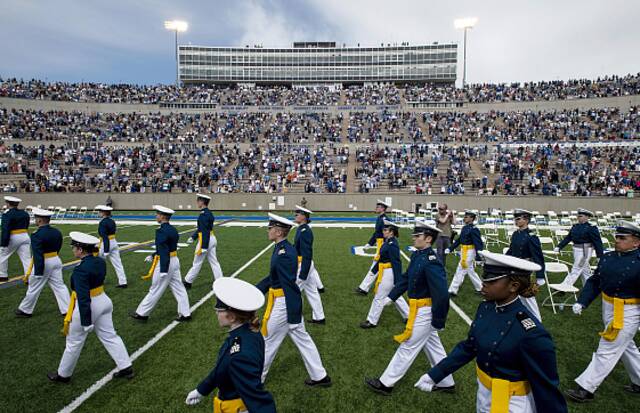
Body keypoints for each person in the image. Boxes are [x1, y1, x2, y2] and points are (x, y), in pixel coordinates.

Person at [414, 251, 568, 413]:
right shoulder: (486, 308)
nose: (483, 284)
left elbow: (546, 388)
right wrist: (435, 375)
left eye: (491, 281)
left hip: (512, 403)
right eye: (484, 278)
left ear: (513, 286)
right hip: (484, 393)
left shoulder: (531, 332)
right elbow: (469, 347)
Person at [365, 221, 455, 395]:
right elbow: (406, 278)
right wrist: (391, 297)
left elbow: (442, 294)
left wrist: (439, 320)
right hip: (418, 309)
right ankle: (446, 382)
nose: (414, 238)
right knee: (434, 348)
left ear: (428, 239)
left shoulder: (431, 261)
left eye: (418, 236)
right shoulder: (418, 255)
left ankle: (386, 383)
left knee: (408, 346)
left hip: (425, 311)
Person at [565, 220, 640, 402]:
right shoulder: (608, 257)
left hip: (628, 310)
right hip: (608, 306)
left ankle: (585, 388)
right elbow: (595, 281)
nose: (617, 241)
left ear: (636, 242)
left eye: (623, 238)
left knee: (607, 347)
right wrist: (582, 301)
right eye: (616, 237)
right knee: (626, 346)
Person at [256, 213, 331, 386]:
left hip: (284, 305)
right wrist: (258, 289)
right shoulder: (282, 248)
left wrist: (294, 313)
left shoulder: (283, 253)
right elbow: (274, 277)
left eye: (270, 228)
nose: (268, 231)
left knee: (267, 341)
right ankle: (320, 376)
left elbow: (289, 286)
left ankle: (254, 381)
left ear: (279, 232)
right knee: (303, 340)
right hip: (285, 303)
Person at [48, 232, 133, 383]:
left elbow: (83, 297)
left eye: (74, 247)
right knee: (110, 336)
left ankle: (63, 374)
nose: (73, 250)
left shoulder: (81, 269)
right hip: (103, 300)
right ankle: (126, 366)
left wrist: (86, 321)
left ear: (81, 250)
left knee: (74, 341)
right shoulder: (99, 261)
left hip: (90, 305)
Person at [185, 277, 276, 412]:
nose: (216, 312)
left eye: (219, 310)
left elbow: (258, 399)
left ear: (232, 317)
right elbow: (223, 367)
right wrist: (202, 389)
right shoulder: (247, 333)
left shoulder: (240, 354)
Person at [130, 205, 191, 322]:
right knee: (179, 288)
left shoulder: (161, 231)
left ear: (162, 216)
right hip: (174, 260)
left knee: (155, 289)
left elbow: (164, 251)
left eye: (157, 214)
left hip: (166, 263)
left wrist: (163, 270)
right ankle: (185, 313)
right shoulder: (173, 230)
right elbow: (166, 248)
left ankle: (142, 313)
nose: (156, 216)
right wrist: (153, 255)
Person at [15, 207, 70, 318]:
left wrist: (39, 272)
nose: (35, 221)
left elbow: (38, 254)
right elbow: (58, 247)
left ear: (40, 220)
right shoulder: (56, 232)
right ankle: (67, 309)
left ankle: (26, 310)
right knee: (59, 286)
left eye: (36, 219)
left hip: (44, 262)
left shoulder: (37, 234)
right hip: (55, 259)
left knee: (34, 287)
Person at [360, 219, 409, 329]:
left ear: (391, 232)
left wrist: (398, 280)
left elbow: (396, 262)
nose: (383, 231)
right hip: (385, 271)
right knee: (395, 295)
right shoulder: (388, 241)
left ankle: (371, 321)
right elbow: (382, 259)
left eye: (386, 229)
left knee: (379, 297)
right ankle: (409, 315)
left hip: (389, 273)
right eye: (384, 229)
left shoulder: (392, 244)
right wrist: (374, 270)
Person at [506, 209, 545, 321]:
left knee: (527, 295)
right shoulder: (515, 233)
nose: (516, 221)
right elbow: (511, 250)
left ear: (526, 220)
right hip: (514, 266)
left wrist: (540, 275)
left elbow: (538, 257)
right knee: (514, 293)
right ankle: (519, 316)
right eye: (515, 219)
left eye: (518, 219)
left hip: (524, 267)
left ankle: (537, 320)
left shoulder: (531, 236)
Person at [554, 208, 604, 287]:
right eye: (578, 216)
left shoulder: (591, 228)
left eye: (580, 216)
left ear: (587, 217)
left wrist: (599, 256)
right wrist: (559, 247)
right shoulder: (575, 226)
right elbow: (568, 238)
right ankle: (590, 287)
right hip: (576, 250)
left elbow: (597, 242)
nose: (578, 217)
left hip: (585, 251)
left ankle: (564, 286)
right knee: (585, 271)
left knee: (577, 268)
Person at [293, 205, 326, 324]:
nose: (295, 215)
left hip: (304, 265)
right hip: (305, 264)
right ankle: (319, 317)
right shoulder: (301, 228)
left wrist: (303, 273)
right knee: (312, 292)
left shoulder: (305, 231)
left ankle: (292, 315)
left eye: (297, 214)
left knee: (293, 289)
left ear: (304, 217)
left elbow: (307, 253)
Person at [184, 194, 223, 289]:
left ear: (202, 202)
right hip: (211, 238)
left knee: (197, 262)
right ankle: (220, 281)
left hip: (206, 240)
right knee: (214, 262)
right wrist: (193, 237)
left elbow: (204, 231)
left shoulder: (203, 215)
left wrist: (204, 246)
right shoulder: (208, 213)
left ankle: (188, 282)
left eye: (198, 200)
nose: (197, 202)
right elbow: (202, 229)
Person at [355, 200, 389, 296]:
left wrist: (383, 246)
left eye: (378, 207)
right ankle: (364, 287)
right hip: (380, 243)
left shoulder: (385, 220)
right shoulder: (380, 218)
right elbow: (376, 233)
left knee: (375, 266)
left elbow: (388, 234)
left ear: (383, 208)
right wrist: (370, 243)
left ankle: (364, 288)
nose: (376, 208)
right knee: (378, 267)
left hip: (383, 244)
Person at [446, 210, 483, 297]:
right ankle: (481, 288)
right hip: (464, 250)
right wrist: (450, 248)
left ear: (472, 218)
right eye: (465, 216)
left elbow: (478, 244)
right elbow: (459, 240)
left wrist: (478, 257)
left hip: (469, 251)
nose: (464, 218)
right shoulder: (465, 228)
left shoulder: (474, 229)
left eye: (466, 217)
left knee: (460, 269)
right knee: (470, 270)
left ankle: (453, 290)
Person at [95, 205, 128, 288]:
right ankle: (123, 282)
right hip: (114, 242)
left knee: (98, 263)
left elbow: (105, 237)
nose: (99, 213)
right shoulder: (112, 221)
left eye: (100, 212)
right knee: (118, 263)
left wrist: (106, 250)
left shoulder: (103, 222)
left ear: (104, 213)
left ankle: (99, 281)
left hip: (106, 244)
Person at [0, 196, 31, 282]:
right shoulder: (24, 213)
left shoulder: (7, 214)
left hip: (13, 236)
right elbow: (27, 225)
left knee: (2, 255)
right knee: (26, 258)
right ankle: (29, 277)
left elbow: (5, 229)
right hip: (25, 235)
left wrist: (4, 243)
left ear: (8, 203)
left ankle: (2, 275)